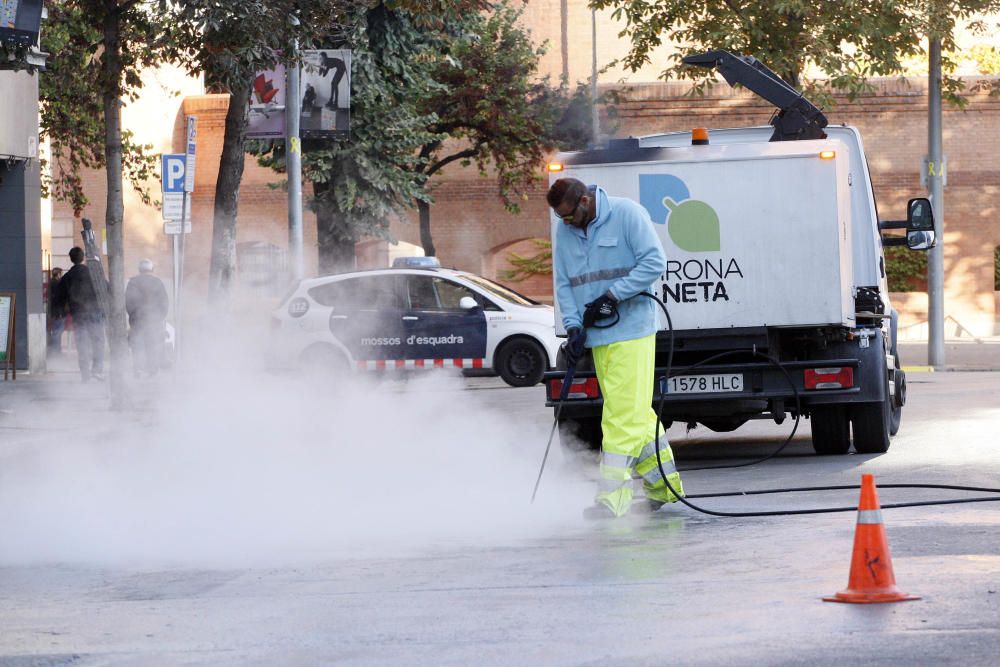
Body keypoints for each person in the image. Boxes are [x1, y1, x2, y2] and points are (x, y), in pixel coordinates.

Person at [547, 177, 684, 519]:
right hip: (597, 337)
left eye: (569, 216)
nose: (565, 224)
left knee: (619, 417)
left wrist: (613, 296)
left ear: (584, 201)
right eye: (560, 219)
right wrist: (574, 326)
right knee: (636, 414)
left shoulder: (627, 214)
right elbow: (565, 283)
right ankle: (665, 487)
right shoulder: (566, 232)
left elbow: (654, 262)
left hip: (632, 331)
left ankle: (613, 499)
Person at [53, 247, 106, 382]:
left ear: (71, 259)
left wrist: (60, 311)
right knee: (98, 341)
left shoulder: (67, 277)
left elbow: (59, 297)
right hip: (95, 312)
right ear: (82, 258)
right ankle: (97, 369)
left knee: (82, 344)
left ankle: (85, 375)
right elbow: (106, 288)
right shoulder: (94, 273)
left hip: (78, 315)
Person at [125, 258, 169, 377]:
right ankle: (152, 371)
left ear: (140, 269)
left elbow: (128, 302)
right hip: (154, 321)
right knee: (153, 345)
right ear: (152, 269)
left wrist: (133, 316)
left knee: (138, 346)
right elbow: (164, 303)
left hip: (137, 320)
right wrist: (159, 317)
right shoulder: (158, 282)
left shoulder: (133, 282)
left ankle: (139, 369)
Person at [47, 267, 66, 353]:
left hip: (53, 312)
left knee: (56, 331)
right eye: (61, 274)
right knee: (57, 332)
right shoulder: (58, 284)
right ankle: (55, 351)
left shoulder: (50, 283)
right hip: (58, 312)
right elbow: (59, 299)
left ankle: (56, 350)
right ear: (58, 274)